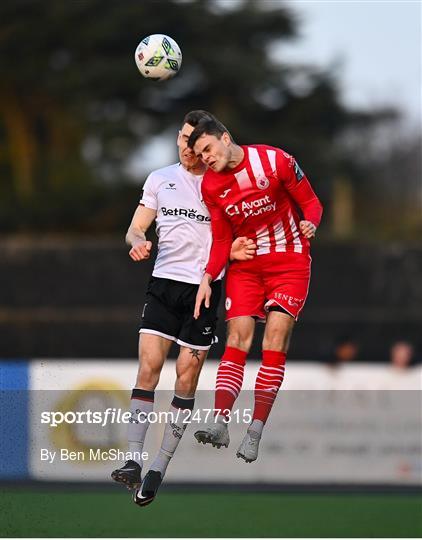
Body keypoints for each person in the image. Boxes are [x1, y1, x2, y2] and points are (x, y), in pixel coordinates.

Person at [111, 110, 256, 506]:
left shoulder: (222, 184)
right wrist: (136, 240)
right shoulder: (160, 178)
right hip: (163, 285)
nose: (190, 149)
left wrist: (237, 251)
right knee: (148, 368)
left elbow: (240, 234)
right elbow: (136, 226)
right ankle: (132, 460)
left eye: (197, 143)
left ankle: (159, 466)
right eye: (185, 140)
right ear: (179, 139)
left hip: (204, 292)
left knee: (186, 378)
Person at [187, 116, 323, 463]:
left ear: (226, 138)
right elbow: (221, 239)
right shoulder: (211, 187)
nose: (206, 159)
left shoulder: (276, 161)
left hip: (289, 261)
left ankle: (255, 431)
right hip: (246, 268)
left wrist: (311, 223)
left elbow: (312, 203)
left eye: (208, 149)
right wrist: (208, 276)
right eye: (200, 156)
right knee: (238, 338)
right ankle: (220, 422)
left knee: (274, 339)